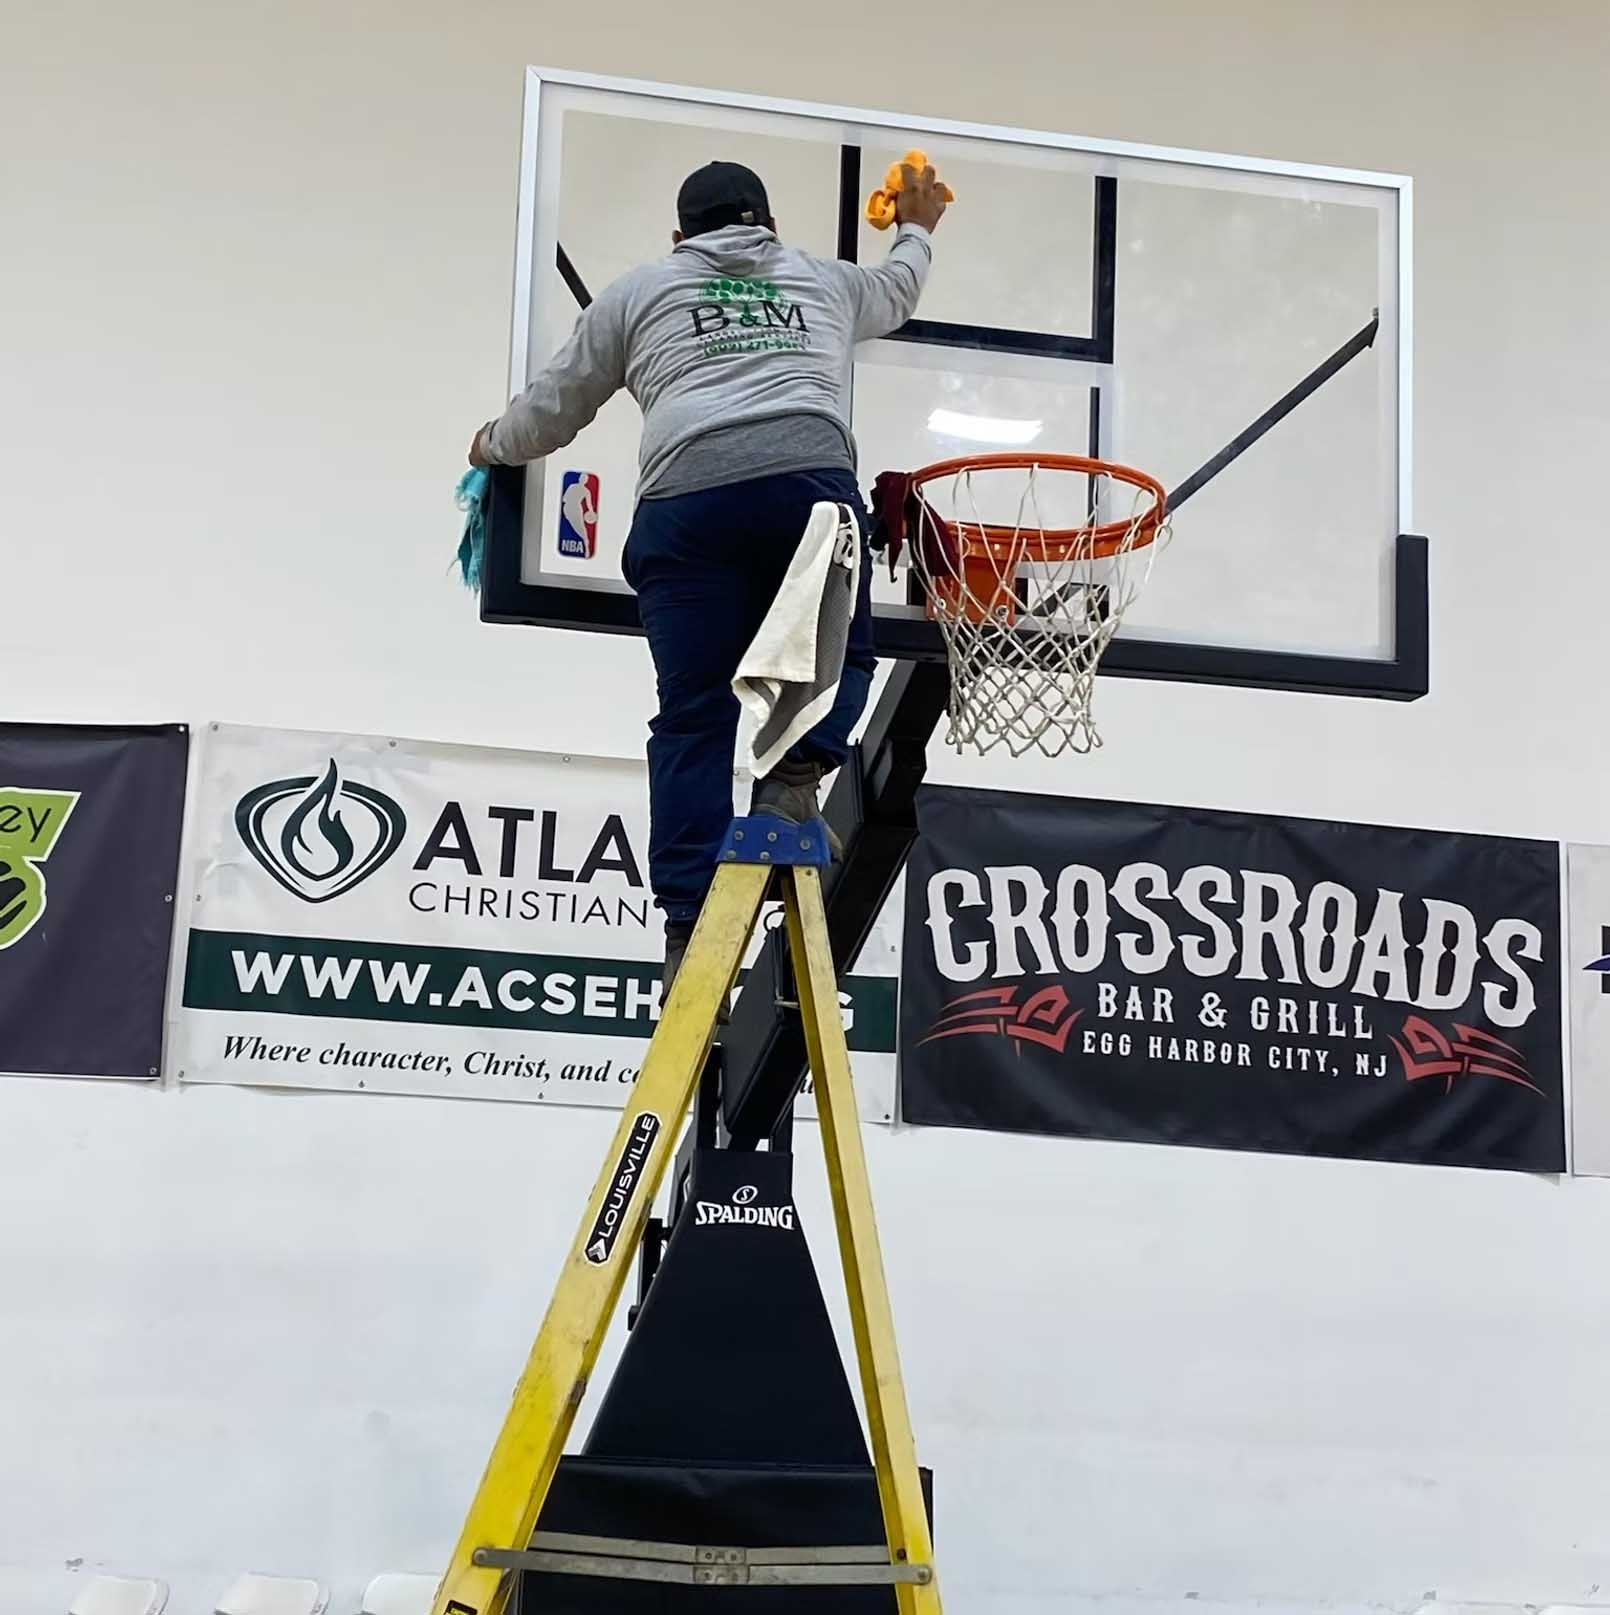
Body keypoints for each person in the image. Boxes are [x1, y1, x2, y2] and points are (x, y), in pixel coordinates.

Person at [469, 158, 948, 985]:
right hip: (806, 489)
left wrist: (490, 446)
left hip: (687, 508)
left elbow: (555, 406)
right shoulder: (823, 281)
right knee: (845, 657)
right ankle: (795, 778)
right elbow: (899, 288)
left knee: (691, 717)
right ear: (765, 222)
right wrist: (916, 225)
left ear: (680, 236)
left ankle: (689, 929)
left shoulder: (639, 290)